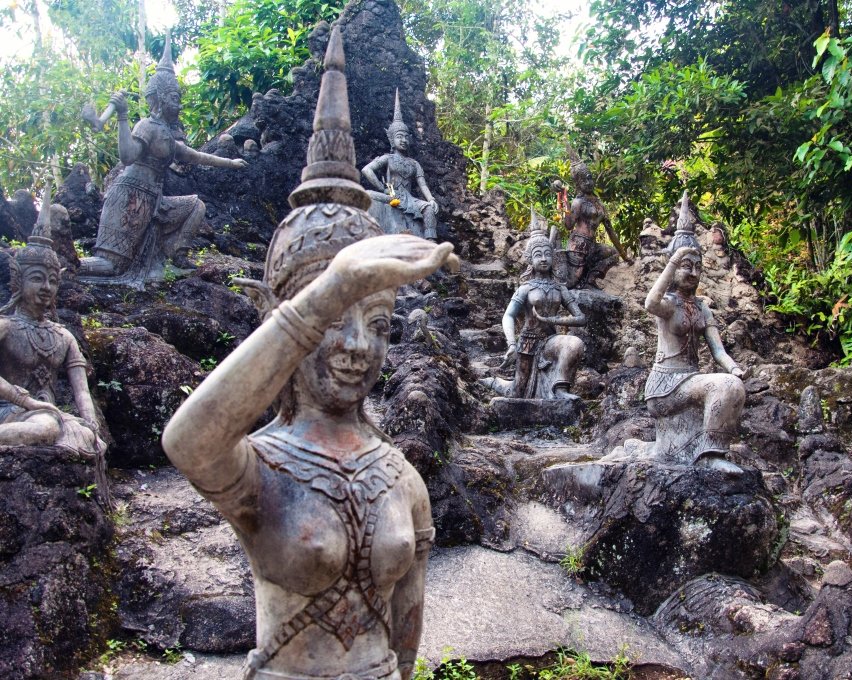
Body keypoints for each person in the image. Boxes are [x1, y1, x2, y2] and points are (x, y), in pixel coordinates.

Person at [161, 27, 454, 680]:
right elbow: (188, 443)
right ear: (286, 317)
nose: (357, 347)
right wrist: (333, 290)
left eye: (377, 324)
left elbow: (409, 630)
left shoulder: (401, 476)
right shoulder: (260, 465)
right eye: (334, 322)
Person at [79, 36, 246, 287]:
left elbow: (195, 155)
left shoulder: (167, 134)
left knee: (194, 206)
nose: (179, 105)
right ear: (160, 99)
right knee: (113, 265)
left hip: (153, 201)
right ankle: (69, 264)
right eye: (175, 98)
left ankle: (177, 255)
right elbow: (127, 156)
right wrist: (123, 116)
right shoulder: (147, 125)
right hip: (129, 199)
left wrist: (230, 163)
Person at [0, 188, 106, 467]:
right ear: (18, 281)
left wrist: (92, 422)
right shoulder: (6, 327)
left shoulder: (63, 336)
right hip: (10, 410)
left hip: (46, 413)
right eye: (37, 279)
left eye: (52, 281)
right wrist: (25, 401)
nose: (46, 288)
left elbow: (81, 391)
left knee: (85, 436)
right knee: (47, 428)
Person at [644, 244, 745, 468]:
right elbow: (650, 303)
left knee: (733, 384)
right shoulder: (669, 304)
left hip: (690, 380)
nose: (693, 273)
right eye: (686, 267)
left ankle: (710, 451)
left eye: (698, 268)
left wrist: (734, 368)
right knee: (726, 386)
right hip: (665, 386)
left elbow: (718, 351)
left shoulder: (702, 308)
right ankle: (709, 457)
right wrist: (673, 260)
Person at [482, 213, 586, 400]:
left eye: (548, 254)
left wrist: (553, 319)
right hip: (528, 343)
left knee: (573, 344)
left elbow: (581, 318)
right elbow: (508, 316)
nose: (544, 259)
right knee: (518, 392)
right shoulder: (526, 288)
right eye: (538, 255)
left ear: (553, 258)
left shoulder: (560, 288)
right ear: (530, 259)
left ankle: (560, 390)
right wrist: (512, 344)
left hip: (549, 342)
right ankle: (494, 382)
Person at [361, 89, 438, 240]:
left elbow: (422, 185)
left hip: (410, 199)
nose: (403, 140)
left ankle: (431, 242)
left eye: (405, 137)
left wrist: (431, 199)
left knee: (429, 209)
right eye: (399, 137)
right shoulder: (387, 158)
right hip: (392, 196)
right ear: (392, 140)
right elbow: (366, 170)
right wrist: (381, 188)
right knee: (368, 195)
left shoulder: (414, 163)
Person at [563, 148, 630, 288]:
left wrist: (625, 256)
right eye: (584, 180)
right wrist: (564, 203)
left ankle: (591, 278)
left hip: (592, 245)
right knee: (571, 282)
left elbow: (610, 231)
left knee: (613, 254)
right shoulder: (578, 202)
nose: (589, 182)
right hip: (578, 245)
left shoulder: (599, 204)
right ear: (578, 183)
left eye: (590, 178)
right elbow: (569, 225)